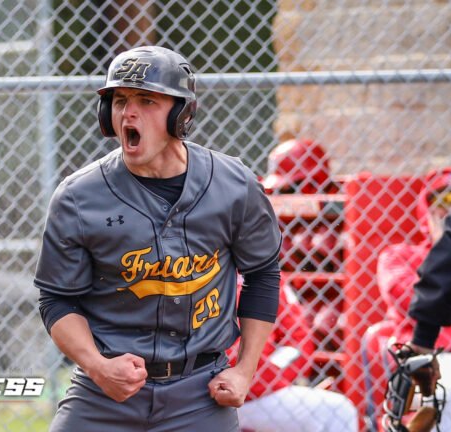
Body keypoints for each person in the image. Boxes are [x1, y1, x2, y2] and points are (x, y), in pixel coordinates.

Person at [34, 46, 282, 431]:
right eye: (120, 101)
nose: (128, 113)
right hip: (105, 393)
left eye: (146, 100)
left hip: (200, 392)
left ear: (181, 114)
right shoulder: (78, 197)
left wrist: (244, 371)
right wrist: (98, 368)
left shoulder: (234, 185)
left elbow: (263, 272)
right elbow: (56, 298)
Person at [364, 167, 451, 431]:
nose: (448, 210)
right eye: (440, 201)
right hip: (436, 355)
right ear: (424, 209)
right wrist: (446, 256)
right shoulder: (399, 256)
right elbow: (409, 300)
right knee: (448, 391)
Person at [233, 277, 358, 432]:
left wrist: (265, 373)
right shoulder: (211, 272)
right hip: (208, 392)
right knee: (339, 410)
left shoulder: (267, 273)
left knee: (339, 410)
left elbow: (299, 340)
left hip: (259, 395)